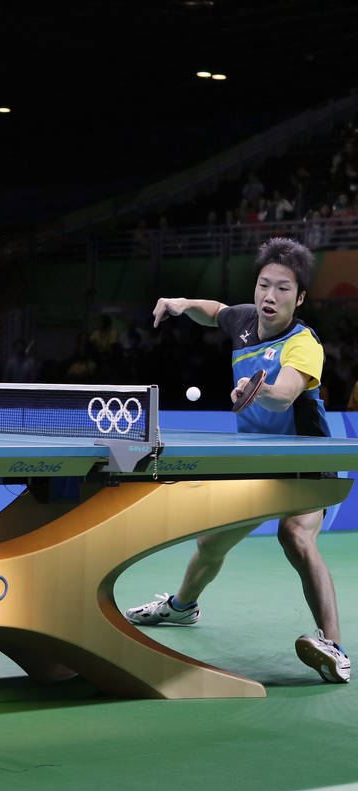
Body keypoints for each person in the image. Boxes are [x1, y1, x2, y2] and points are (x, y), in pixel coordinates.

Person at [125, 237, 349, 684]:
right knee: (212, 544)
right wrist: (180, 302)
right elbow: (214, 311)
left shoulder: (303, 345)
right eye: (264, 285)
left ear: (300, 298)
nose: (270, 296)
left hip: (307, 462)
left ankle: (334, 647)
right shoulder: (245, 321)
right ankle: (182, 608)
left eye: (283, 289)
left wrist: (256, 390)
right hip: (258, 461)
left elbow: (285, 396)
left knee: (295, 537)